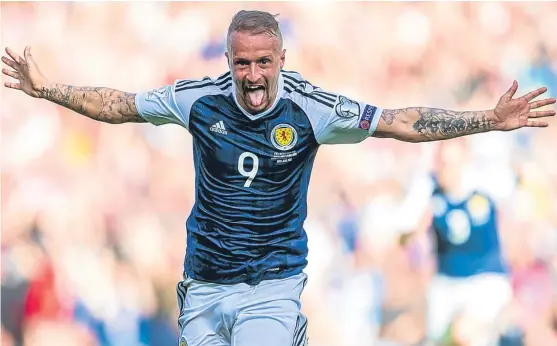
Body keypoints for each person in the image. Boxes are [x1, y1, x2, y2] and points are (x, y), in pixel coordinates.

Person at [2, 9, 555, 346]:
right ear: (228, 60)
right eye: (242, 63)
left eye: (264, 62)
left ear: (282, 58)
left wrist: (489, 119)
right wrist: (48, 89)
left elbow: (397, 122)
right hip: (203, 284)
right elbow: (120, 105)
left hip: (270, 283)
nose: (253, 75)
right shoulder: (198, 99)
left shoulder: (312, 109)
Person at [400, 139, 514, 346]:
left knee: (465, 333)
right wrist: (414, 228)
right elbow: (402, 235)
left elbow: (520, 194)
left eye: (451, 162)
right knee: (433, 340)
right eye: (441, 162)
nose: (446, 169)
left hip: (485, 281)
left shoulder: (486, 184)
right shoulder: (427, 190)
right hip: (446, 283)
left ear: (465, 160)